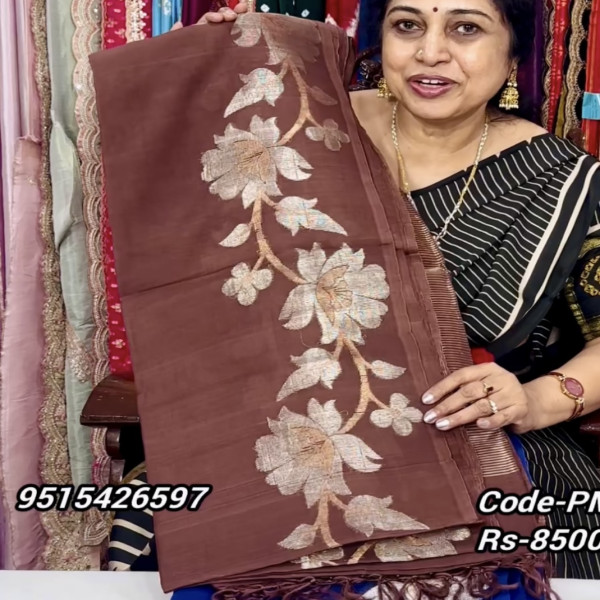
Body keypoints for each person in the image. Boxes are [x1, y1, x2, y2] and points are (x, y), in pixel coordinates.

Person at [109, 0, 600, 592]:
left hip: (470, 443)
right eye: (407, 25)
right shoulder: (299, 119)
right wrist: (215, 66)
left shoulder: (560, 181)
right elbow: (194, 251)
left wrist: (534, 401)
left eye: (466, 28)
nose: (430, 52)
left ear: (514, 53)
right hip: (270, 434)